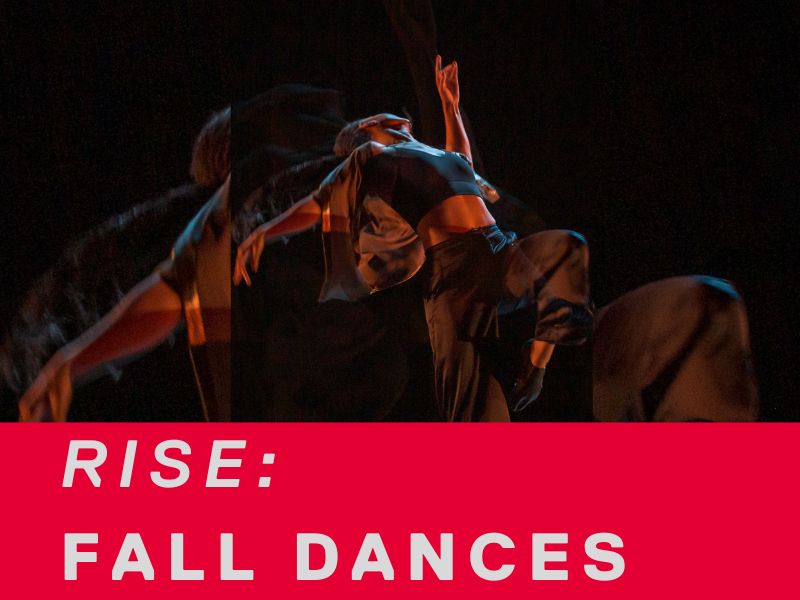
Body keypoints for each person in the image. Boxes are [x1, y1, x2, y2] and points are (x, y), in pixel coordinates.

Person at [235, 57, 592, 421]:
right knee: (475, 411)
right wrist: (265, 232)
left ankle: (536, 363)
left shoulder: (436, 154)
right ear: (370, 126)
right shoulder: (371, 155)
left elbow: (463, 163)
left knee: (567, 247)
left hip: (500, 248)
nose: (402, 117)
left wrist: (450, 106)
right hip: (456, 275)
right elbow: (319, 202)